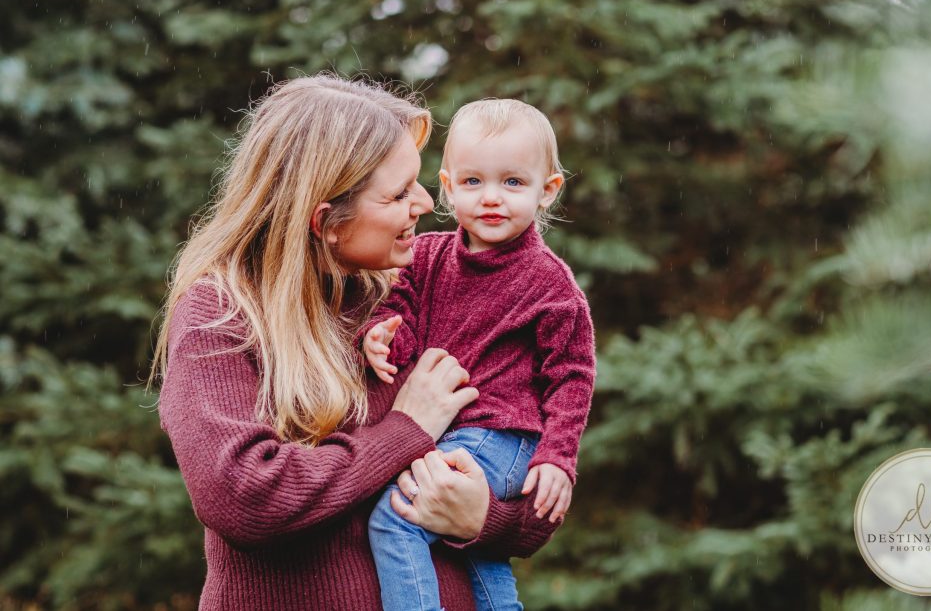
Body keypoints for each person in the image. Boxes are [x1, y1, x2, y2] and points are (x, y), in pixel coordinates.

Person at [149, 76, 560, 611]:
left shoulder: (404, 299)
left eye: (417, 183)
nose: (423, 203)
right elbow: (245, 499)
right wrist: (405, 431)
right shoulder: (220, 316)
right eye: (397, 193)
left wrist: (486, 520)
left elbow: (512, 461)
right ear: (326, 222)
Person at [362, 99, 596, 611]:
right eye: (473, 182)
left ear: (547, 190)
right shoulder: (425, 256)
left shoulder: (550, 284)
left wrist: (558, 456)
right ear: (446, 186)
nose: (491, 198)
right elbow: (401, 316)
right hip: (455, 433)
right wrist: (380, 337)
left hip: (505, 436)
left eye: (512, 183)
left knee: (397, 516)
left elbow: (572, 377)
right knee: (476, 557)